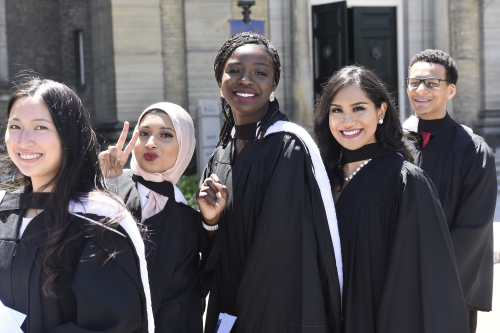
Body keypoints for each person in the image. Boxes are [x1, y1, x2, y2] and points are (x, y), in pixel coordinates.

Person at [196, 32, 342, 333]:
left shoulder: (289, 147)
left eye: (260, 73)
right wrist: (211, 223)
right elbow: (219, 248)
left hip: (278, 315)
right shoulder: (221, 153)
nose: (245, 80)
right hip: (229, 307)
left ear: (273, 84)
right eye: (234, 70)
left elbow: (282, 251)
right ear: (220, 78)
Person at [314, 65, 470, 333]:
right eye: (336, 110)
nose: (347, 121)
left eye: (359, 108)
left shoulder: (405, 182)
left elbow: (423, 283)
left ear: (381, 111)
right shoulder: (319, 179)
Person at [0, 78, 154, 332]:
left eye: (40, 128)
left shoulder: (100, 222)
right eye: (15, 126)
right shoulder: (7, 212)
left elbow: (113, 325)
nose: (23, 140)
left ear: (68, 135)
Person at [402, 49, 497, 333]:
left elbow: (473, 228)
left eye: (432, 83)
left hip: (447, 286)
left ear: (451, 90)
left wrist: (428, 275)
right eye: (414, 82)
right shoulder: (395, 144)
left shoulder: (473, 149)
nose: (421, 90)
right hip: (397, 283)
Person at [99, 102, 203, 332]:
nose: (151, 142)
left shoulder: (186, 221)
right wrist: (101, 184)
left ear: (184, 146)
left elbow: (179, 303)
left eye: (166, 135)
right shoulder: (107, 190)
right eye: (144, 133)